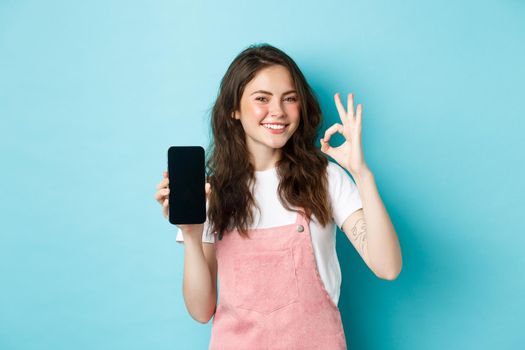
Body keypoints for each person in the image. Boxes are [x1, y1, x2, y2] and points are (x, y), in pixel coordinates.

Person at [154, 43, 402, 350]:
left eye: (290, 99)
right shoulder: (211, 193)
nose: (278, 112)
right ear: (234, 109)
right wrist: (191, 236)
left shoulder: (326, 178)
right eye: (262, 99)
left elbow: (387, 267)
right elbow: (201, 310)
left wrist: (361, 173)